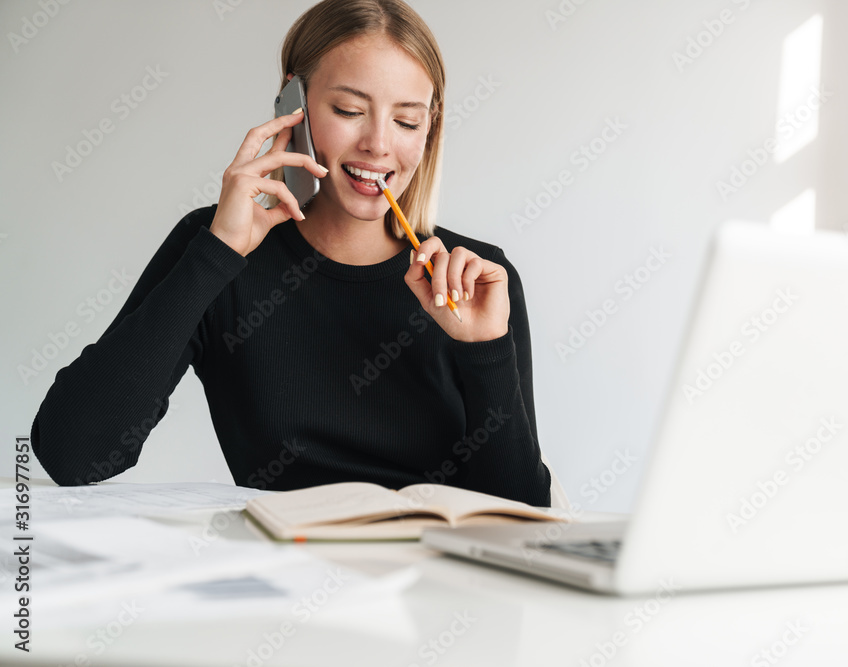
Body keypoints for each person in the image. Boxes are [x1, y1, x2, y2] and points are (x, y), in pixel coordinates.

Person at [30, 0, 552, 507]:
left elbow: (521, 517)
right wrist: (217, 254)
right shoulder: (215, 246)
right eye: (350, 110)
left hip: (435, 587)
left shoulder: (479, 279)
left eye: (407, 121)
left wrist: (484, 347)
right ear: (292, 103)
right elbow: (73, 455)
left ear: (430, 127)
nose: (378, 144)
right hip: (281, 580)